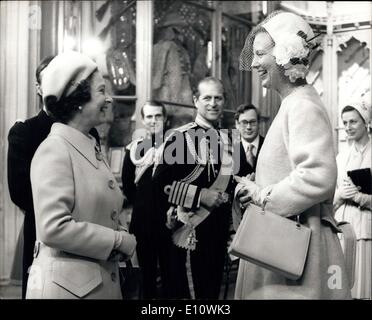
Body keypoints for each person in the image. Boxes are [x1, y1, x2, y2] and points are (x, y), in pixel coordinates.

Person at [234, 11, 351, 299]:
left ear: (284, 54)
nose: (254, 62)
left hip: (299, 250)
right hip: (286, 242)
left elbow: (317, 177)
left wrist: (262, 196)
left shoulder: (301, 105)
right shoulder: (292, 104)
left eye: (261, 54)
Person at [25, 51, 136, 299]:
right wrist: (117, 241)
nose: (108, 98)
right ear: (78, 100)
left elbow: (100, 210)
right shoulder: (55, 149)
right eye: (100, 91)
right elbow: (53, 228)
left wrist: (121, 232)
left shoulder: (88, 146)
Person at [7, 55, 101, 299]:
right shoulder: (25, 132)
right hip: (44, 231)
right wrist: (63, 213)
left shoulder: (89, 132)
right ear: (40, 88)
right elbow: (19, 192)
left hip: (87, 233)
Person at [152, 77, 236, 299]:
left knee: (212, 294)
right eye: (207, 98)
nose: (213, 103)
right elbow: (159, 185)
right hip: (190, 233)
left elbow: (235, 182)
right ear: (195, 100)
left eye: (218, 98)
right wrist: (200, 195)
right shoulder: (180, 138)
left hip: (219, 234)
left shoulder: (228, 141)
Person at [122, 100, 173, 299]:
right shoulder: (133, 149)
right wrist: (143, 204)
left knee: (171, 274)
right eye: (149, 117)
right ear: (143, 120)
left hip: (170, 221)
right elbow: (127, 184)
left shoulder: (176, 147)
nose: (154, 121)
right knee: (146, 275)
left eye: (158, 116)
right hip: (143, 222)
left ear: (165, 119)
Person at [334, 100, 371, 300]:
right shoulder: (341, 157)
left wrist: (358, 197)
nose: (348, 127)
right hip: (344, 231)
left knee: (364, 289)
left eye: (353, 122)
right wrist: (340, 196)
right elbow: (332, 197)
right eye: (345, 122)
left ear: (366, 122)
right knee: (343, 289)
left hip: (367, 231)